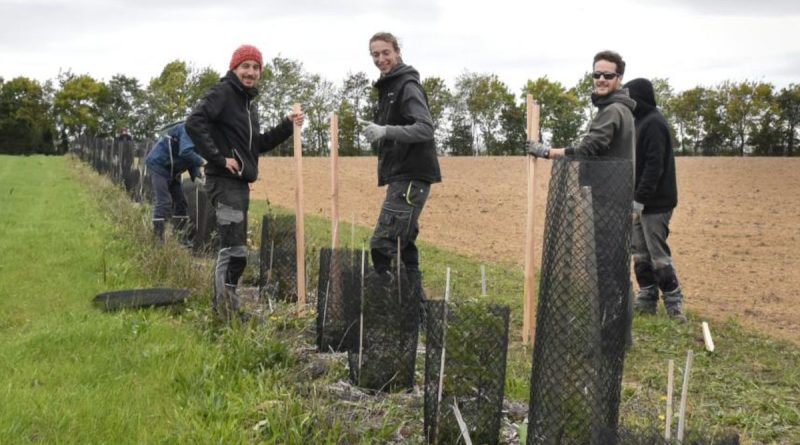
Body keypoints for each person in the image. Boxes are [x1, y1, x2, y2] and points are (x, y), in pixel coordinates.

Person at [186, 44, 304, 320]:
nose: (250, 72)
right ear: (234, 68)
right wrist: (218, 158)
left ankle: (228, 307)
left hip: (238, 185)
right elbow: (194, 122)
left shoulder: (247, 103)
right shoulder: (224, 92)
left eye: (255, 67)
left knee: (235, 246)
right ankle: (225, 312)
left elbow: (257, 145)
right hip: (223, 183)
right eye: (245, 66)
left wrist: (287, 125)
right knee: (233, 248)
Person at [361, 32, 441, 283]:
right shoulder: (389, 88)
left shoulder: (407, 85)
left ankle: (388, 312)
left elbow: (426, 128)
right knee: (403, 246)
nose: (381, 58)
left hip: (411, 176)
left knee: (384, 247)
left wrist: (385, 130)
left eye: (386, 52)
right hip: (401, 176)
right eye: (375, 54)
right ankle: (416, 316)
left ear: (397, 52)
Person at [624, 78, 686, 322]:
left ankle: (674, 304)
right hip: (638, 200)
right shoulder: (637, 122)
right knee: (640, 252)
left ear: (639, 98)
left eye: (630, 98)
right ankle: (647, 297)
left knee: (657, 253)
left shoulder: (654, 123)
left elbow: (654, 166)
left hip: (656, 203)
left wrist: (640, 199)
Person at [527, 50, 636, 160]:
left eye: (608, 76)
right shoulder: (623, 109)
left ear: (620, 78)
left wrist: (546, 152)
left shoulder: (613, 110)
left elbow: (585, 150)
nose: (601, 80)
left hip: (604, 177)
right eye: (597, 75)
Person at [144, 122, 205, 244]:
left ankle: (181, 238)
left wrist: (197, 177)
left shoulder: (203, 135)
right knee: (164, 201)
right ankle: (158, 240)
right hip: (159, 165)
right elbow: (186, 152)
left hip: (173, 171)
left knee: (181, 203)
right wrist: (204, 163)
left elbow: (192, 159)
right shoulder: (187, 128)